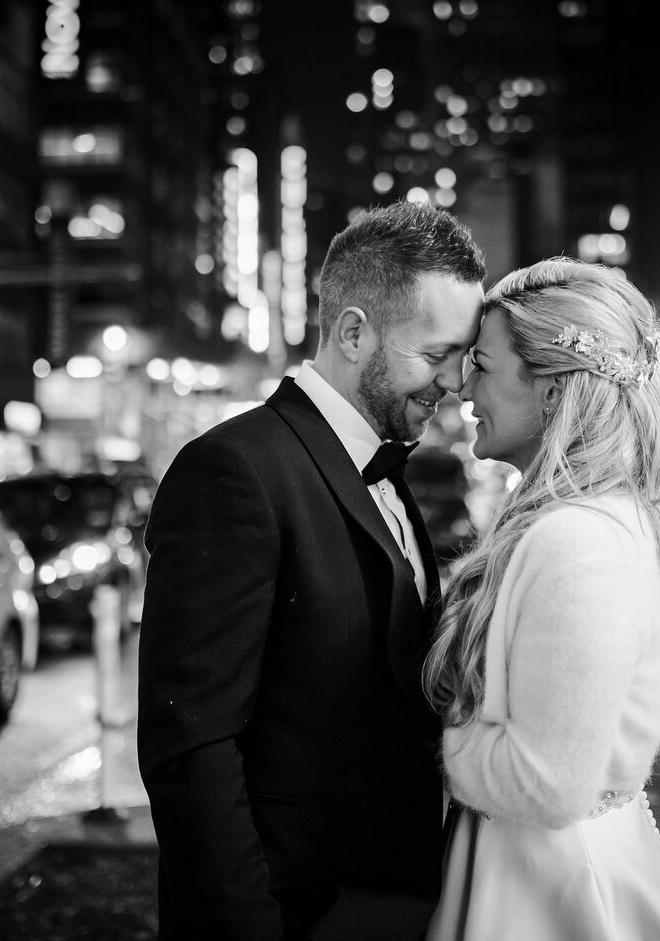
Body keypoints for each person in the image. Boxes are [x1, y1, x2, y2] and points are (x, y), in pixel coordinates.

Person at [137, 200, 486, 940]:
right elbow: (191, 747)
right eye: (436, 354)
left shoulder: (388, 473)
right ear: (354, 332)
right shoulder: (233, 471)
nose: (455, 381)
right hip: (294, 914)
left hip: (392, 905)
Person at [422, 257, 660, 939]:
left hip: (552, 890)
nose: (462, 385)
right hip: (534, 868)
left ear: (553, 390)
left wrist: (425, 737)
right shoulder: (575, 521)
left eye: (485, 364)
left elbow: (546, 783)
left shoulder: (578, 538)